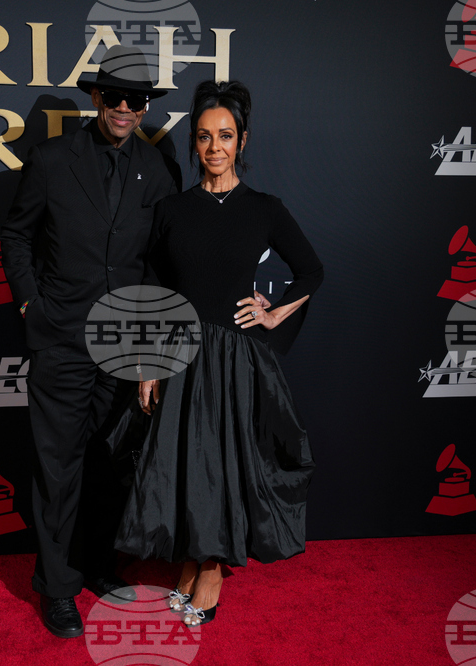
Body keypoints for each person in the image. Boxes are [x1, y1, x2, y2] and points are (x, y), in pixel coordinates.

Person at [116, 80, 324, 626]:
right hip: (181, 353)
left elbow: (311, 270)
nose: (214, 147)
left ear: (243, 140)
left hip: (236, 358)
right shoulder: (172, 210)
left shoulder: (264, 209)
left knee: (222, 464)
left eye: (225, 136)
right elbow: (152, 289)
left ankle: (210, 568)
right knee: (186, 463)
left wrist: (275, 313)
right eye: (204, 136)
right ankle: (192, 557)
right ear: (194, 143)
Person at [0, 46, 179, 639]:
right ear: (97, 96)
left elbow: (157, 264)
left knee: (109, 464)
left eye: (139, 99)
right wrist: (30, 301)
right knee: (59, 467)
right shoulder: (52, 159)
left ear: (147, 104)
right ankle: (56, 587)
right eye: (117, 96)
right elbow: (16, 235)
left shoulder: (156, 171)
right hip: (62, 338)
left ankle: (97, 563)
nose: (127, 108)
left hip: (123, 344)